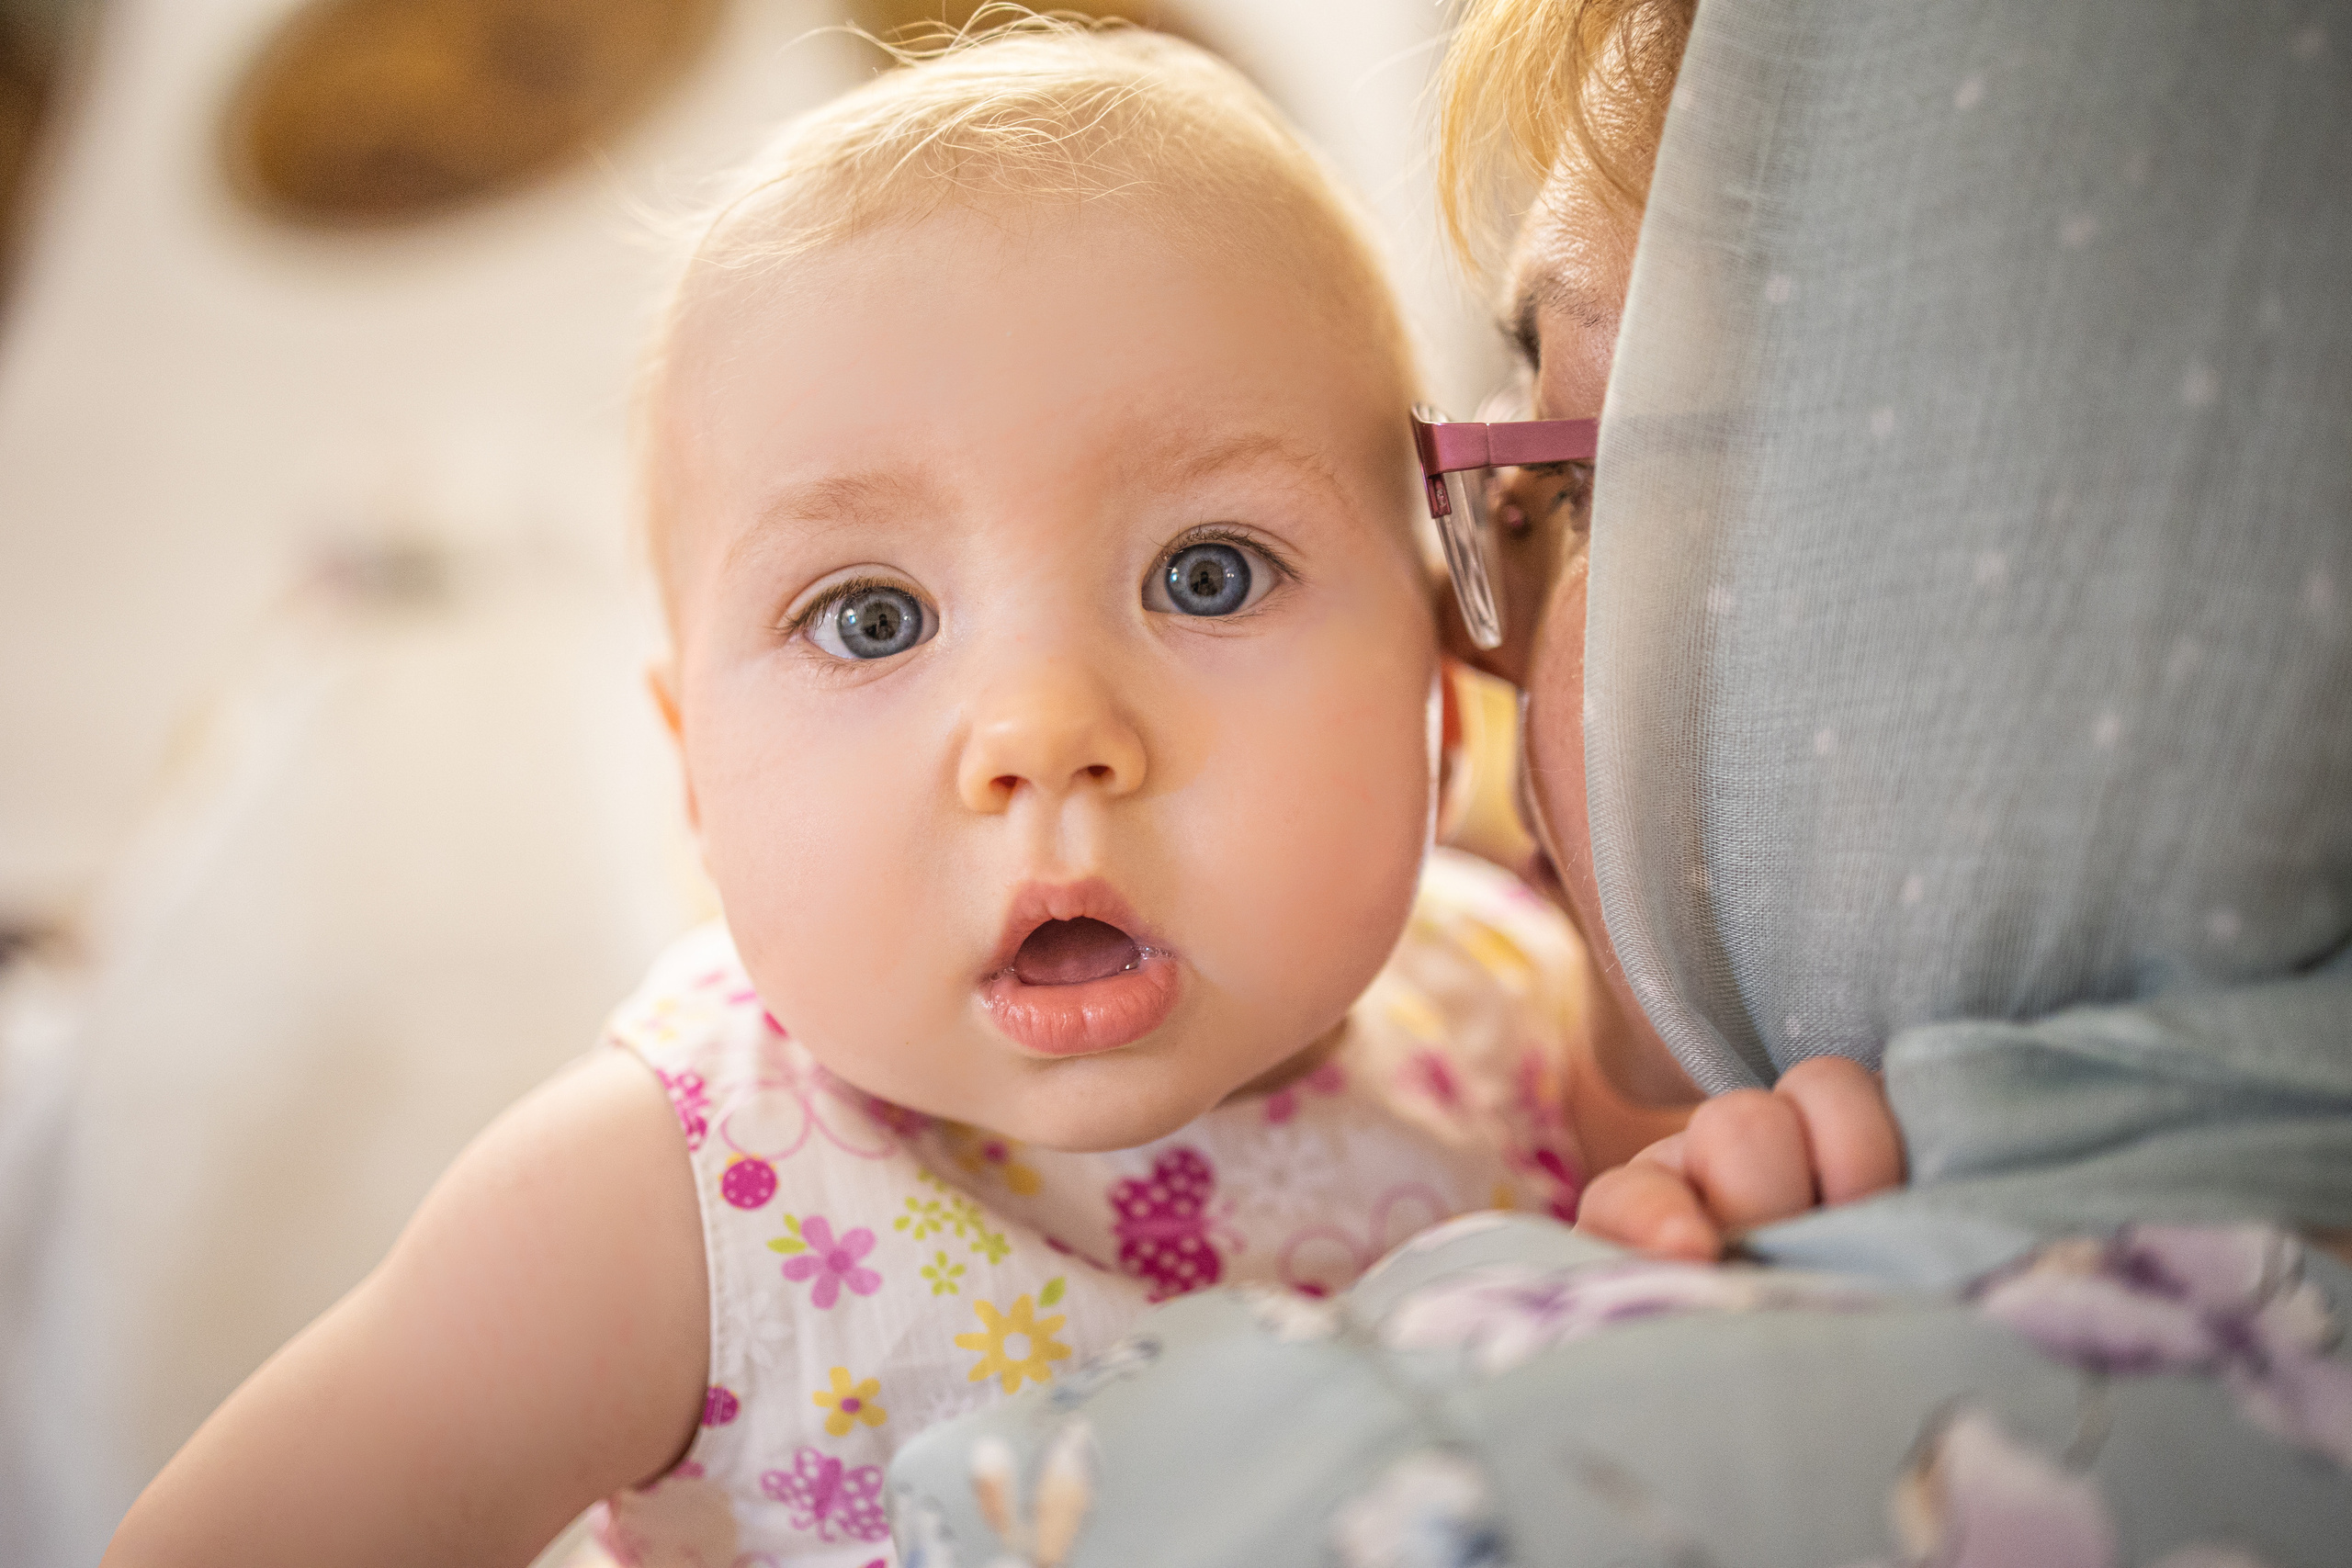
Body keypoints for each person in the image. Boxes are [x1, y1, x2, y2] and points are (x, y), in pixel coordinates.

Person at [99, 21, 1898, 1568]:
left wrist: (1697, 1194)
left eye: (1206, 573)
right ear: (693, 779)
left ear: (1436, 678)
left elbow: (1633, 1292)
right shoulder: (653, 1198)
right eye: (868, 617)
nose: (1041, 731)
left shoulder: (1497, 1010)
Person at [887, 0, 2352, 1562]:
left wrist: (1492, 1325)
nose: (1475, 652)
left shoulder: (1376, 1484)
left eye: (1587, 492)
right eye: (874, 621)